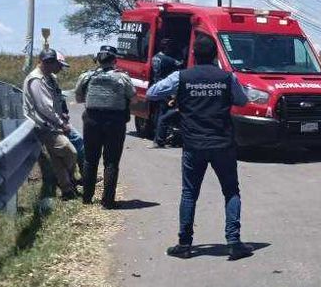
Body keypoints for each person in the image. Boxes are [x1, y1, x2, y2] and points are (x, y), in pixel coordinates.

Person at [146, 34, 252, 261]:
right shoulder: (227, 77)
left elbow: (152, 93)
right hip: (222, 143)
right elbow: (243, 100)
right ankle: (234, 243)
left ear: (193, 54)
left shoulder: (181, 76)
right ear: (215, 55)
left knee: (189, 193)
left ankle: (184, 244)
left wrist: (176, 94)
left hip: (193, 145)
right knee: (231, 191)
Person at [75, 45, 134, 208]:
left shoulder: (87, 76)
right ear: (115, 60)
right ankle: (108, 201)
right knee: (111, 161)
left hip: (92, 120)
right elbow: (133, 97)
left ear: (98, 59)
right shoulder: (122, 77)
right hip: (115, 121)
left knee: (90, 159)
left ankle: (87, 198)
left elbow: (79, 98)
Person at [23, 49, 80, 200]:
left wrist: (62, 114)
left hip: (52, 123)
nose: (50, 64)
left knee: (57, 159)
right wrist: (61, 123)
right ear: (41, 62)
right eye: (47, 62)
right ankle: (69, 179)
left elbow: (56, 101)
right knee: (69, 151)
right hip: (43, 125)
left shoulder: (50, 77)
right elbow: (45, 107)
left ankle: (67, 189)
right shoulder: (36, 80)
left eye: (52, 62)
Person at [150, 38, 183, 148]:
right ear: (167, 48)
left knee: (158, 113)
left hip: (156, 87)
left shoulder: (155, 57)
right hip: (165, 89)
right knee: (164, 115)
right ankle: (160, 139)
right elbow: (180, 64)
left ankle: (156, 136)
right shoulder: (168, 59)